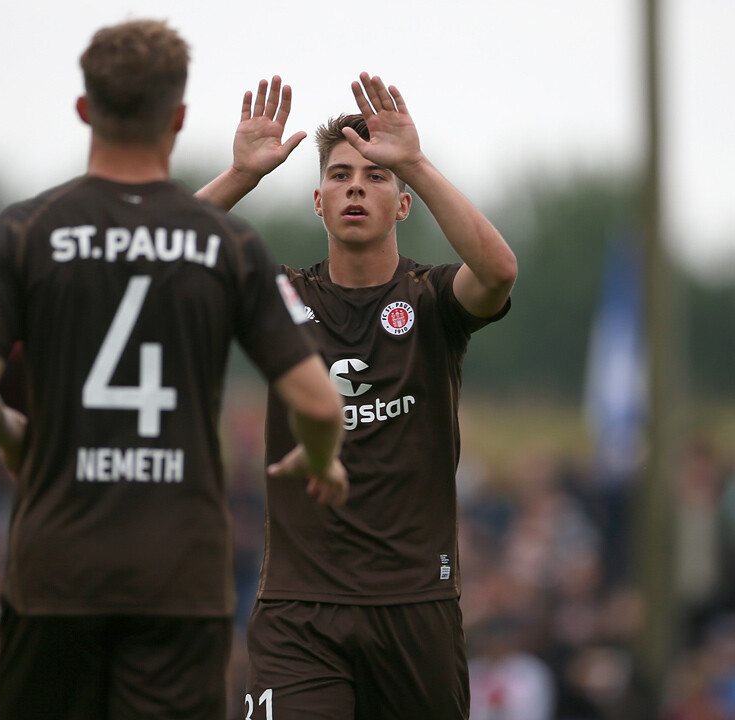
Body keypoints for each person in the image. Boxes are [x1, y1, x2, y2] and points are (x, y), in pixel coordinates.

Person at [0, 22, 348, 720]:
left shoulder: (26, 230)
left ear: (85, 109)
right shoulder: (228, 244)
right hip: (178, 574)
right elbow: (318, 404)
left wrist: (15, 438)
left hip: (55, 569)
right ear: (179, 118)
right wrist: (321, 458)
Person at [197, 73, 517, 719]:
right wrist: (239, 176)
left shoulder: (433, 299)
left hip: (416, 606)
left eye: (376, 177)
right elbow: (159, 263)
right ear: (319, 201)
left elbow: (498, 271)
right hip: (299, 612)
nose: (356, 188)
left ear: (403, 205)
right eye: (340, 176)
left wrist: (416, 162)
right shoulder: (282, 296)